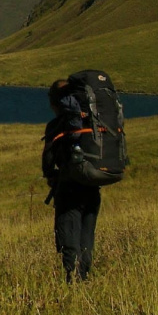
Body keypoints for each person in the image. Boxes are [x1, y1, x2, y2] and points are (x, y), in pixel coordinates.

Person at [41, 79, 101, 282]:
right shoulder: (93, 123)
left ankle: (73, 283)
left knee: (69, 238)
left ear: (56, 101)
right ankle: (84, 279)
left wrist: (52, 177)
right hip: (92, 187)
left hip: (68, 189)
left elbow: (48, 163)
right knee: (86, 238)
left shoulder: (57, 125)